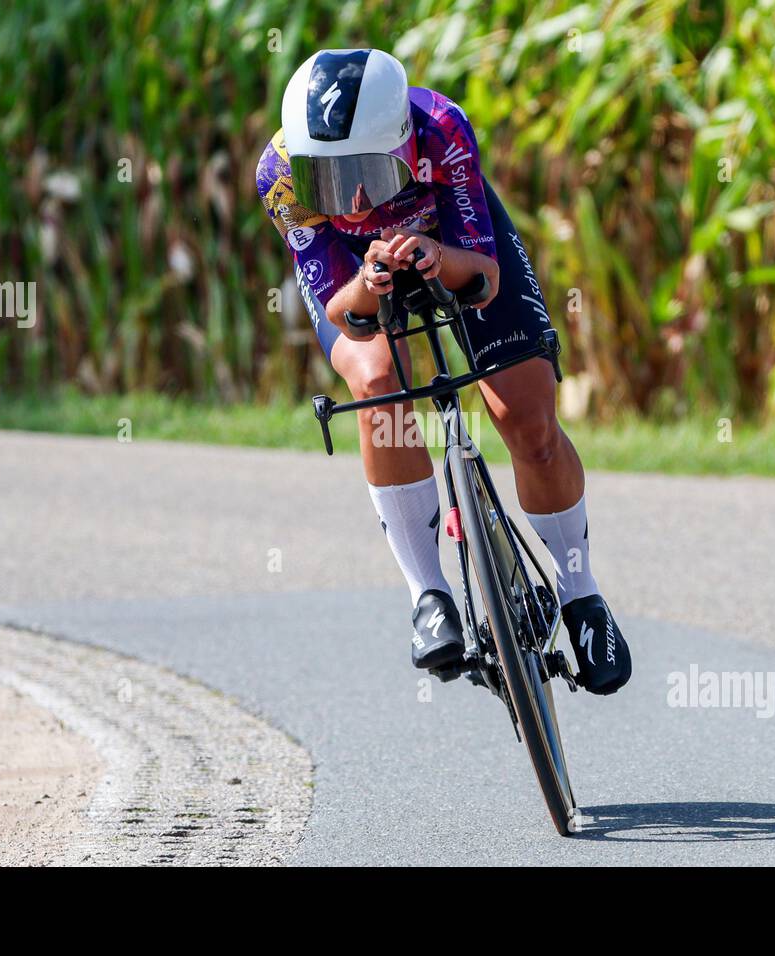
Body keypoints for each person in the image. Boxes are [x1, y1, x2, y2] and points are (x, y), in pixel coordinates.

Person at [256, 48, 630, 694]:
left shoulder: (441, 127)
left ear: (403, 144)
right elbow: (344, 313)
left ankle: (581, 594)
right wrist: (373, 281)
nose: (356, 197)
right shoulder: (281, 175)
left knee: (528, 425)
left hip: (450, 242)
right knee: (374, 384)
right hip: (357, 276)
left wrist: (435, 256)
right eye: (332, 179)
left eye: (370, 171)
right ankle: (428, 595)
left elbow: (483, 281)